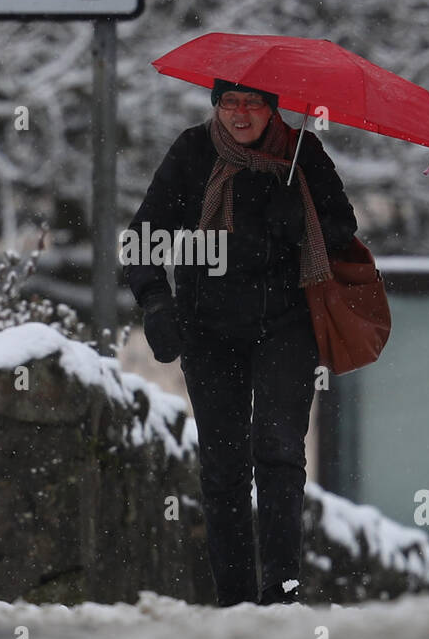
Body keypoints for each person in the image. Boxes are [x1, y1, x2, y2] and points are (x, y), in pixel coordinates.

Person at [123, 78, 357, 606]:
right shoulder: (192, 152)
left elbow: (343, 227)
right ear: (216, 105)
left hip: (285, 324)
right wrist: (157, 303)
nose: (241, 114)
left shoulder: (302, 154)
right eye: (230, 102)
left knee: (278, 452)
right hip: (209, 328)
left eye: (253, 102)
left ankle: (282, 593)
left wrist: (301, 222)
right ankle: (233, 601)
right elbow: (143, 237)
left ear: (273, 106)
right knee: (223, 466)